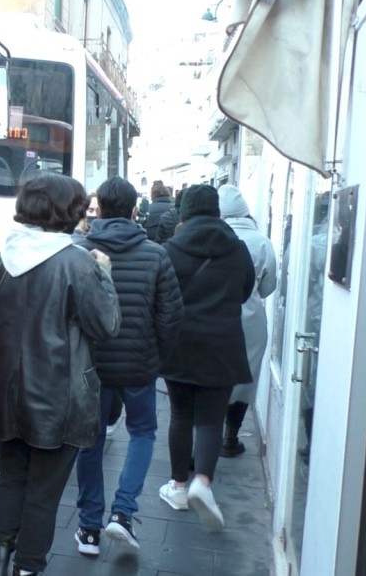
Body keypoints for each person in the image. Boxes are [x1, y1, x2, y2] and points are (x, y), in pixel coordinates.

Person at [0, 172, 120, 576]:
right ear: (69, 213)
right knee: (43, 491)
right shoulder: (78, 264)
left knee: (11, 476)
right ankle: (28, 567)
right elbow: (106, 325)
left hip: (5, 393)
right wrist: (105, 274)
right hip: (60, 398)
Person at [73, 177, 184, 556]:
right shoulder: (155, 255)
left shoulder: (80, 251)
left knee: (90, 441)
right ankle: (123, 512)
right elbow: (171, 317)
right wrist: (156, 356)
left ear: (99, 209)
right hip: (139, 364)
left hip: (91, 365)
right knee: (142, 433)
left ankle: (89, 528)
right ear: (135, 211)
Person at [156, 184, 255, 531]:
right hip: (223, 345)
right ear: (216, 211)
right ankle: (203, 482)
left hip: (179, 344)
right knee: (211, 420)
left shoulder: (169, 250)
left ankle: (179, 487)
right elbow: (245, 291)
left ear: (185, 212)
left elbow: (160, 297)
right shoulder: (237, 249)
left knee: (181, 415)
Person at [217, 185, 277, 457]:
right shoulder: (261, 242)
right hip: (250, 321)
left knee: (213, 377)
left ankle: (206, 437)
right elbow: (268, 287)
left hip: (213, 316)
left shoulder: (214, 238)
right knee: (245, 380)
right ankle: (230, 437)